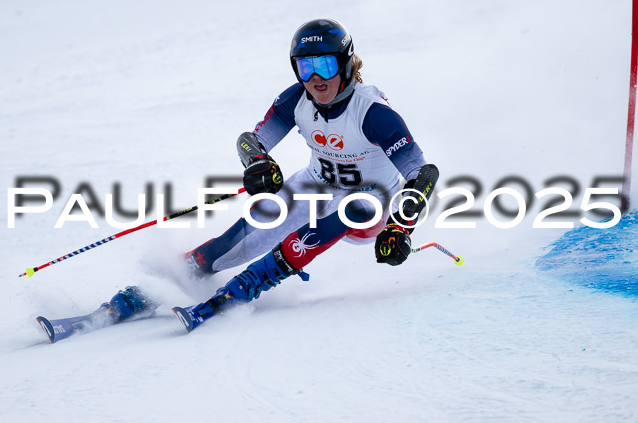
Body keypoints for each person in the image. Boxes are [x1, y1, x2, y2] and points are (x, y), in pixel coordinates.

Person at [169, 18, 439, 332]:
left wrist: (400, 226)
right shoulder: (296, 99)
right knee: (240, 239)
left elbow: (423, 172)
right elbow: (251, 139)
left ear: (346, 66)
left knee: (353, 209)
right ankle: (181, 272)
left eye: (325, 66)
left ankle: (250, 283)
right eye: (304, 67)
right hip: (317, 185)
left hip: (372, 206)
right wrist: (257, 162)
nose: (314, 78)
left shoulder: (373, 114)